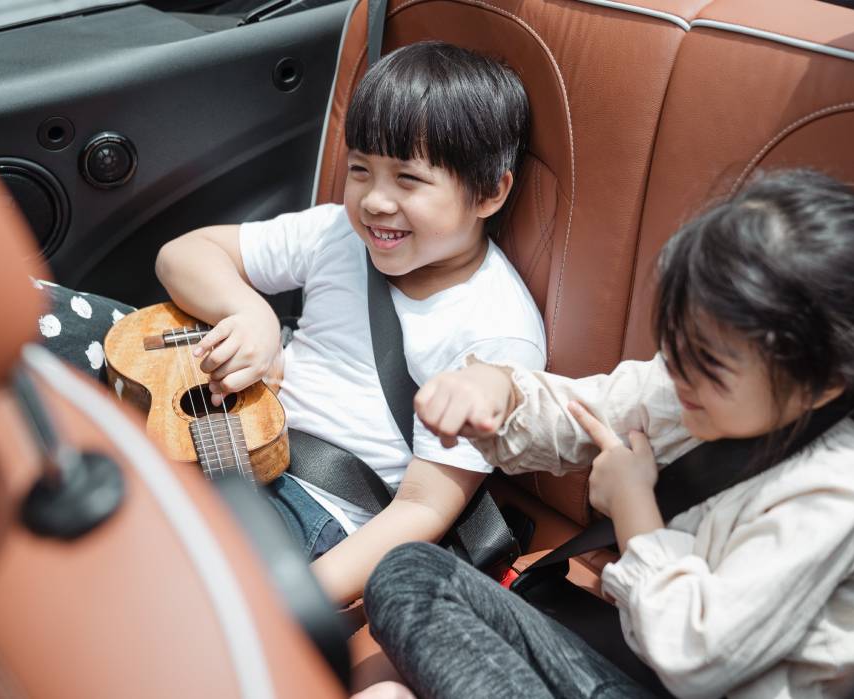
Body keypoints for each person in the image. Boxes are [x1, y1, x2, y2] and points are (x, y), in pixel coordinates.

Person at [34, 40, 544, 606]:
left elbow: (421, 508)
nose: (375, 202)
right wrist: (247, 311)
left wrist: (294, 603)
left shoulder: (496, 334)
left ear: (490, 191)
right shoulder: (337, 235)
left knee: (138, 571)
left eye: (408, 180)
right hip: (225, 425)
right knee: (31, 315)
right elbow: (183, 254)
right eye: (359, 170)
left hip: (316, 506)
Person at [359, 169, 854, 698]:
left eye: (709, 361)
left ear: (821, 382)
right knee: (410, 574)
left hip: (682, 676)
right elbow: (578, 411)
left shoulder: (831, 494)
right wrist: (495, 391)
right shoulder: (683, 384)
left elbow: (696, 657)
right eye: (675, 337)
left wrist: (631, 503)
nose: (678, 368)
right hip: (623, 653)